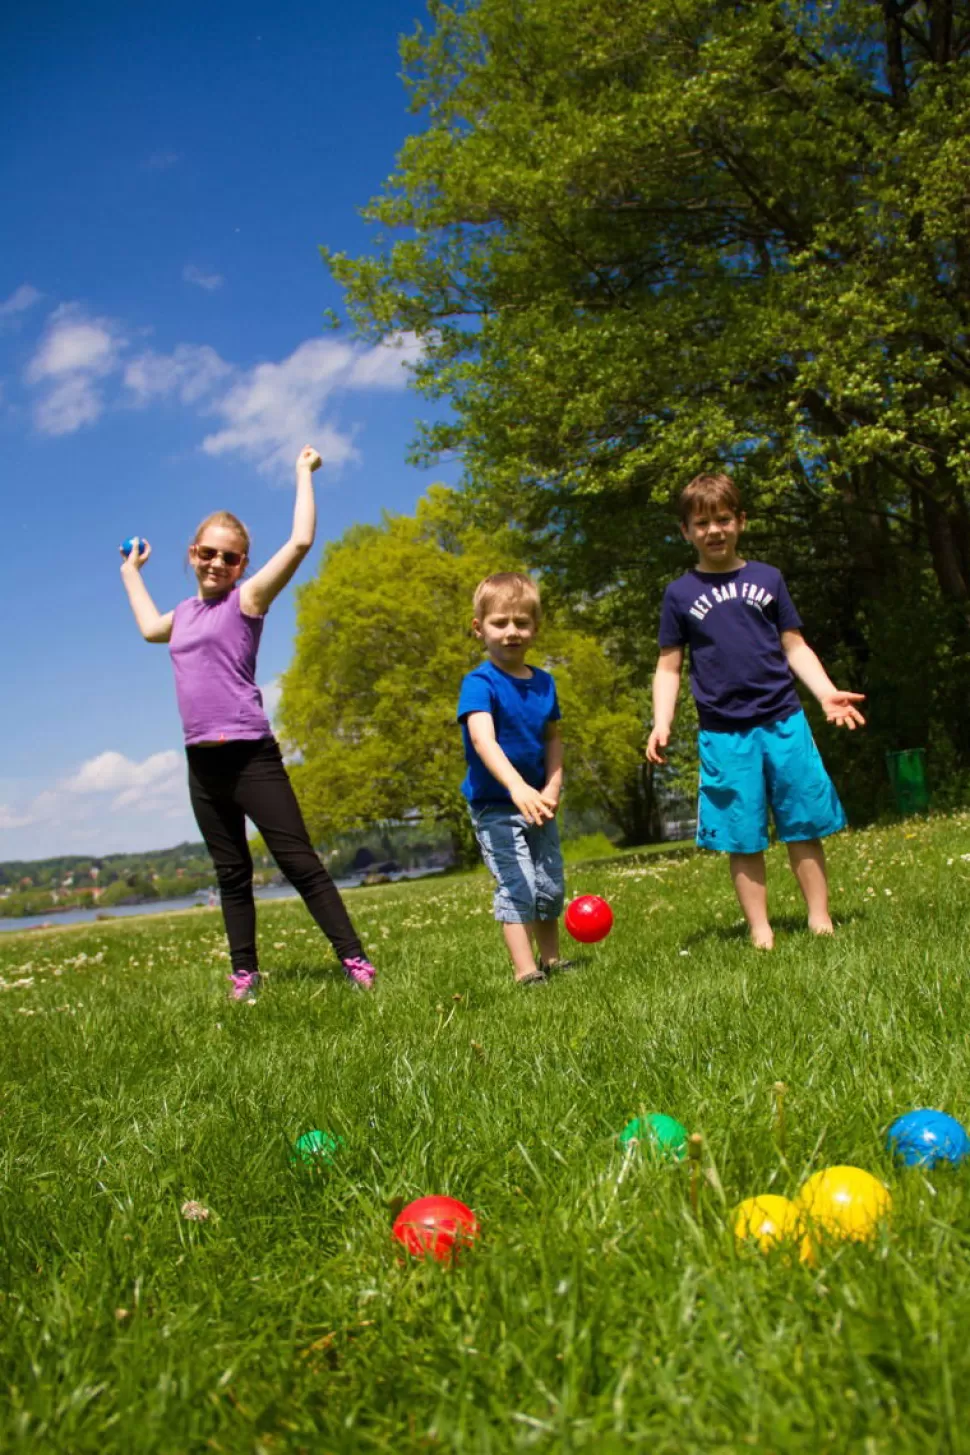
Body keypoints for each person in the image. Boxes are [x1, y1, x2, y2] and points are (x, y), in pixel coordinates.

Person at [119, 445, 376, 1000]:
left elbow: (302, 541)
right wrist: (130, 572)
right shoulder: (183, 616)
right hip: (201, 763)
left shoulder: (248, 600)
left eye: (230, 558)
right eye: (208, 553)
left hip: (250, 755)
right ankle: (245, 975)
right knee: (231, 874)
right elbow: (145, 628)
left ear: (243, 565)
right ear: (192, 553)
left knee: (298, 862)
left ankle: (355, 961)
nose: (217, 563)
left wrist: (302, 473)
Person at [646, 473, 865, 950]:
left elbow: (795, 645)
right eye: (701, 523)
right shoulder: (679, 594)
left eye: (723, 519)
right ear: (685, 531)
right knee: (742, 836)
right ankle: (760, 930)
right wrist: (661, 722)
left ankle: (820, 918)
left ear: (741, 521)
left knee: (803, 822)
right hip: (724, 734)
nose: (714, 530)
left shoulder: (768, 579)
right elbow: (669, 666)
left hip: (784, 720)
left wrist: (825, 692)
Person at [457, 572, 569, 985]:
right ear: (479, 628)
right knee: (517, 884)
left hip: (539, 801)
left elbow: (553, 739)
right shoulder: (479, 683)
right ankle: (527, 971)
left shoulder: (544, 683)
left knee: (549, 884)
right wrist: (516, 786)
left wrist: (551, 785)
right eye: (500, 622)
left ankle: (553, 960)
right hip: (496, 805)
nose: (511, 632)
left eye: (521, 622)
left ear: (535, 627)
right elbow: (482, 739)